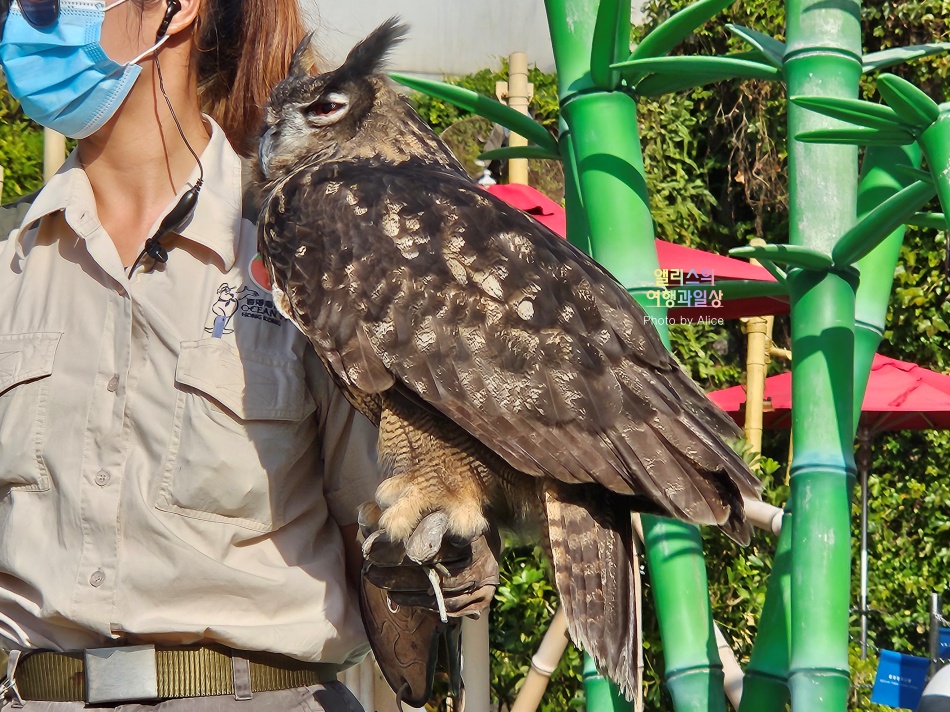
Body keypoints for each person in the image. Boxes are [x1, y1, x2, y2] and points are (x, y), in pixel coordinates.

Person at [0, 0, 380, 710]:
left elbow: (388, 540)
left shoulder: (307, 255)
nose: (23, 22)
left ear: (174, 12)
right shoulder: (8, 273)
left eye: (47, 2)